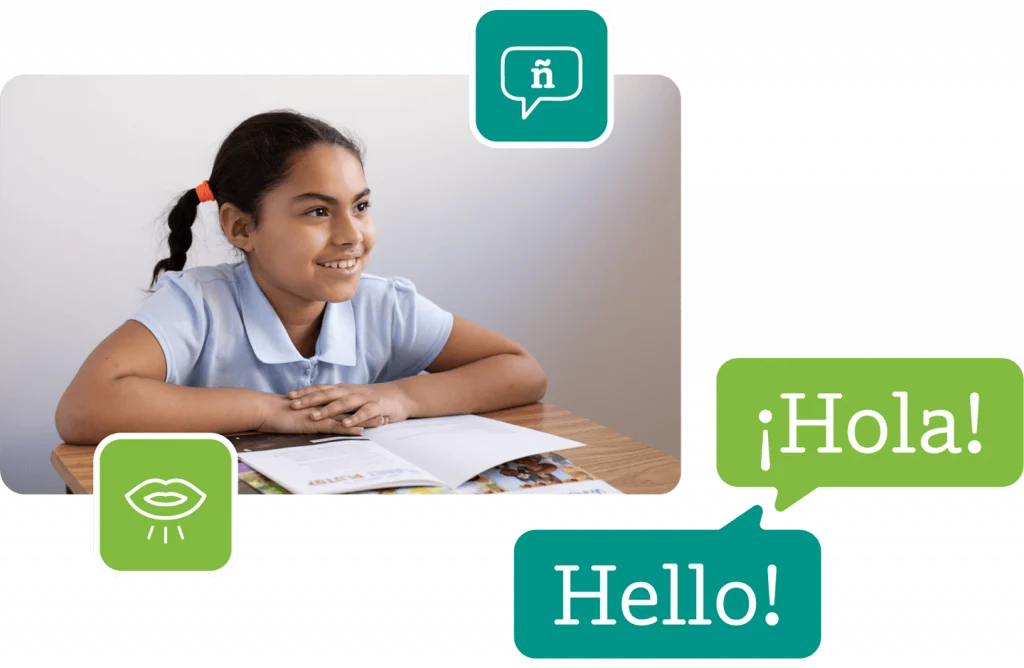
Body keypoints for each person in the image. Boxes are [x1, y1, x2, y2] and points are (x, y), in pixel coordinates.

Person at [55, 110, 547, 445]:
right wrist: (266, 411)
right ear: (241, 227)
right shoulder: (199, 305)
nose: (351, 235)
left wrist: (400, 396)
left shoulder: (384, 306)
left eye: (360, 207)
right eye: (317, 212)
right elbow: (82, 409)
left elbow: (522, 371)